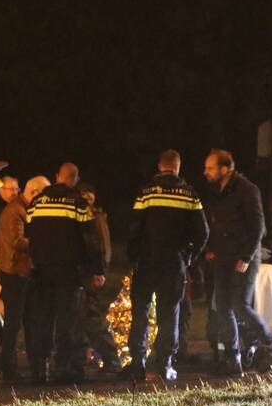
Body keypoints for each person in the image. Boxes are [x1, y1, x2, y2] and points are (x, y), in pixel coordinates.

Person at [123, 150, 209, 381]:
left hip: (146, 262)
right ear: (177, 167)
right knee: (169, 314)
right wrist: (188, 257)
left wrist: (135, 257)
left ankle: (138, 363)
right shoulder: (189, 194)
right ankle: (164, 364)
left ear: (160, 166)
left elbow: (133, 228)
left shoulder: (146, 193)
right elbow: (203, 232)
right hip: (173, 264)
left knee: (140, 313)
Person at [25, 162, 105, 383]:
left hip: (42, 272)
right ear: (75, 179)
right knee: (68, 322)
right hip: (69, 273)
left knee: (43, 320)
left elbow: (29, 234)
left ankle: (40, 369)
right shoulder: (78, 205)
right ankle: (64, 369)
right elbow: (91, 241)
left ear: (57, 176)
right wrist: (96, 269)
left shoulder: (36, 203)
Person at [203, 148, 272, 376]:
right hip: (224, 257)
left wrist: (246, 256)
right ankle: (232, 359)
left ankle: (271, 342)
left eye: (210, 168)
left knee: (240, 305)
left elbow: (258, 226)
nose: (205, 172)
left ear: (224, 169)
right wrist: (212, 248)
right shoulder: (219, 193)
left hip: (243, 258)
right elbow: (217, 225)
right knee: (223, 309)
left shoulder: (247, 190)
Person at [0, 175, 49, 380]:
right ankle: (9, 367)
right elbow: (17, 241)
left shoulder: (20, 208)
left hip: (20, 270)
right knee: (14, 321)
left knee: (28, 319)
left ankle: (29, 365)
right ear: (34, 192)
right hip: (15, 272)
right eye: (43, 195)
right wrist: (43, 241)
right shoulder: (15, 211)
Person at [77, 181, 123, 374]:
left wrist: (99, 272)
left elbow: (102, 247)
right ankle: (88, 357)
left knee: (92, 317)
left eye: (90, 193)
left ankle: (111, 358)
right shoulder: (90, 216)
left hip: (90, 274)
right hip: (86, 272)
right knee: (83, 317)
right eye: (83, 194)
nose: (87, 197)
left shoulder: (95, 217)